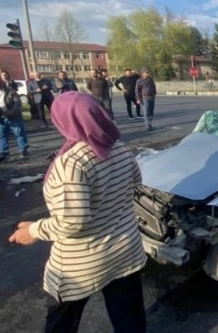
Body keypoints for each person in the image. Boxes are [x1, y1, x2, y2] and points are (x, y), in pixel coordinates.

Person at [8, 91, 147, 333]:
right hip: (125, 250)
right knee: (129, 319)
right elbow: (134, 184)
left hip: (81, 263)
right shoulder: (119, 147)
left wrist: (33, 230)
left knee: (60, 323)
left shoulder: (72, 163)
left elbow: (72, 222)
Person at [0, 78, 28, 161]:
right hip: (1, 117)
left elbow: (17, 103)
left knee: (19, 133)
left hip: (13, 115)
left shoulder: (10, 91)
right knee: (2, 135)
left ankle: (23, 149)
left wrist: (11, 112)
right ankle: (4, 152)